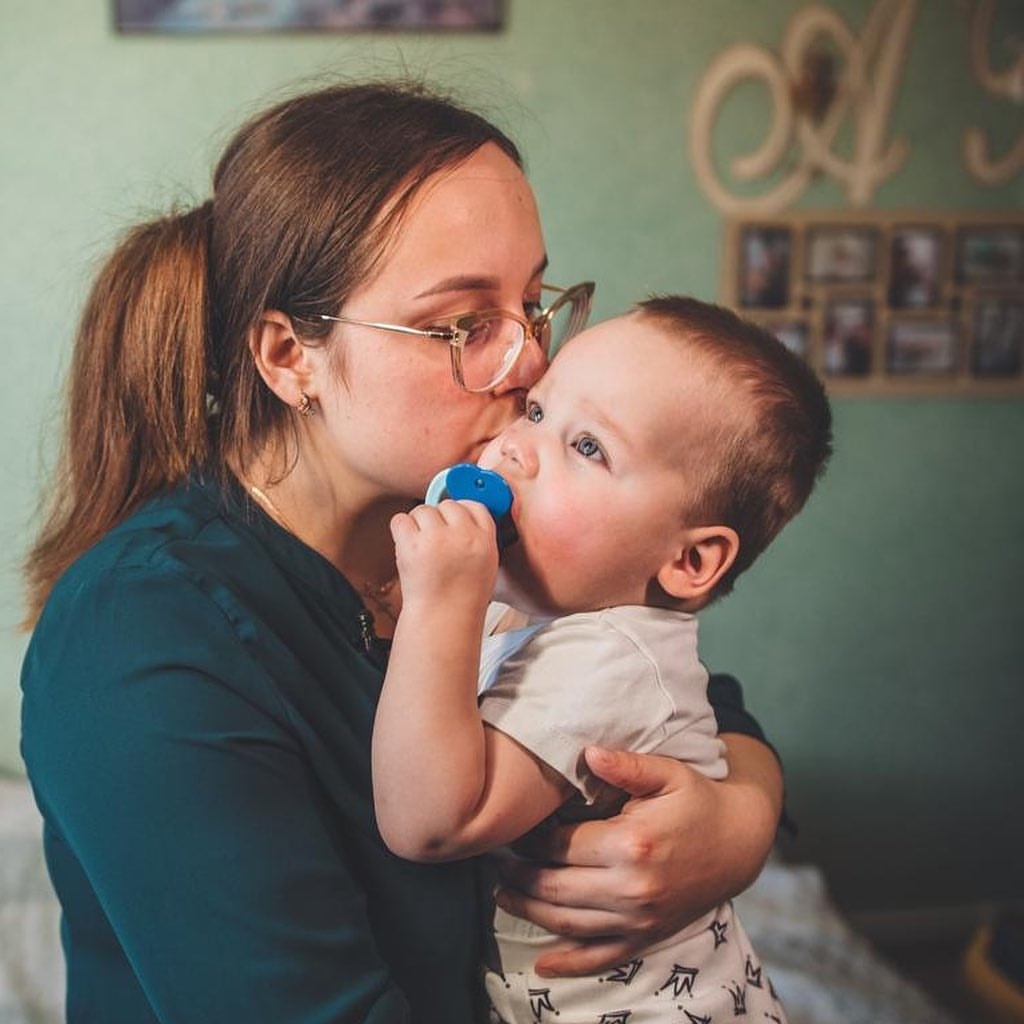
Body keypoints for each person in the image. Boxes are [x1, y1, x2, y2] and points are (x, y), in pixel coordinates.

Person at [20, 80, 784, 1023]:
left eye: (535, 303)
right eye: (462, 325)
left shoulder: (471, 523)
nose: (531, 363)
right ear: (290, 357)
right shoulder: (141, 637)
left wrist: (740, 821)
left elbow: (679, 674)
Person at [373, 296, 833, 1023]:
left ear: (690, 559)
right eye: (536, 412)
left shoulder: (611, 660)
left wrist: (438, 608)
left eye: (586, 447)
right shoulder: (539, 607)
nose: (516, 448)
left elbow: (430, 820)